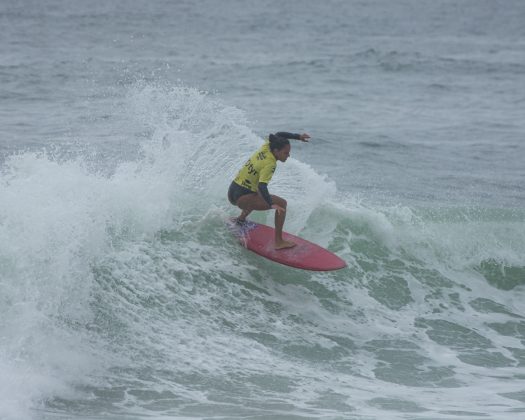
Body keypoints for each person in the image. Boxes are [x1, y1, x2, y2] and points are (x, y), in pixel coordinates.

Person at [228, 131, 311, 249]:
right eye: (285, 153)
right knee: (282, 203)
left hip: (234, 190)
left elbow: (279, 134)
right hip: (242, 198)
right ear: (276, 151)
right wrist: (272, 204)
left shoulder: (267, 146)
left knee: (256, 193)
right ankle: (278, 242)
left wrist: (298, 137)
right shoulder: (270, 163)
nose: (288, 155)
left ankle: (240, 221)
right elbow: (262, 186)